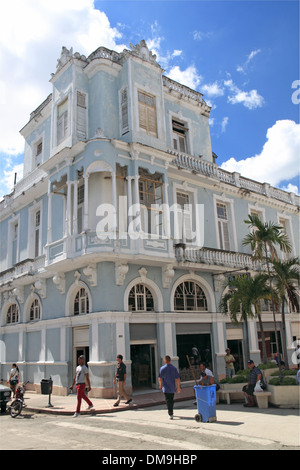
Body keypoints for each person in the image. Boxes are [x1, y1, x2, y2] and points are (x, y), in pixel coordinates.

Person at [158, 355, 181, 419]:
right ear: (170, 360)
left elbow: (160, 378)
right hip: (172, 387)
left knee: (168, 400)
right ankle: (171, 411)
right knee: (171, 399)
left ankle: (170, 412)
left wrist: (160, 385)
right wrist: (178, 387)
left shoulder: (162, 368)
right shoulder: (174, 368)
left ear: (165, 360)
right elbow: (177, 378)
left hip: (166, 387)